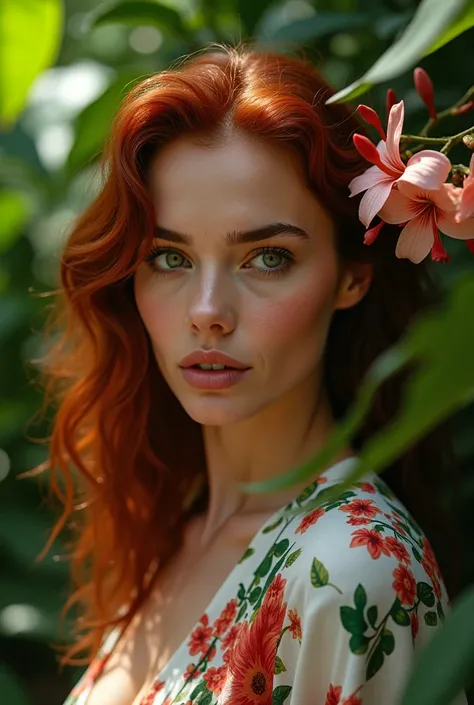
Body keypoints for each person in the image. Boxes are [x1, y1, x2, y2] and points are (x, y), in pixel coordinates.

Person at [35, 45, 466, 705]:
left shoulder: (354, 571)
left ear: (351, 274)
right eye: (169, 257)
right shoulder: (175, 526)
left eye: (267, 257)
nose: (208, 312)